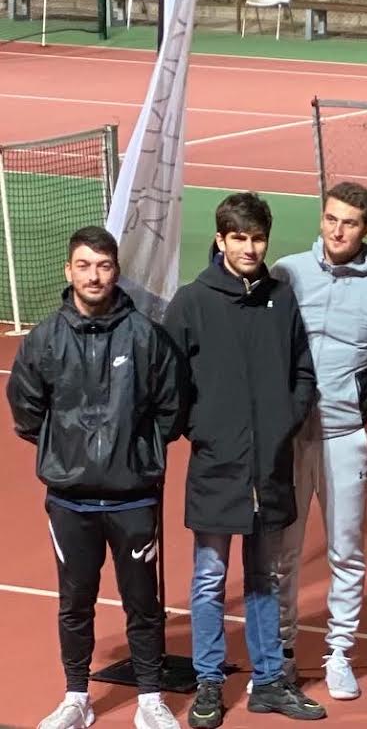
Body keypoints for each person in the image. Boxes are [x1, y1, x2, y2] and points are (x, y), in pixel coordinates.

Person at [7, 227, 183, 729]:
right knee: (75, 603)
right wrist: (66, 452)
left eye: (103, 266)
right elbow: (25, 408)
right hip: (71, 501)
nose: (94, 276)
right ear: (69, 271)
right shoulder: (45, 338)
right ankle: (76, 697)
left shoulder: (146, 336)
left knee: (143, 603)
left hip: (133, 498)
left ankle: (150, 698)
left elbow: (171, 406)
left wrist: (136, 453)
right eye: (84, 266)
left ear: (116, 272)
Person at [162, 193, 323, 727]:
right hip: (218, 466)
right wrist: (201, 430)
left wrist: (285, 421)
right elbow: (170, 381)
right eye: (239, 238)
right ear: (221, 239)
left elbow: (303, 371)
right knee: (210, 578)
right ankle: (209, 682)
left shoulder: (281, 298)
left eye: (257, 238)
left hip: (270, 465)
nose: (250, 248)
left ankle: (269, 681)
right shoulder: (192, 302)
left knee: (264, 578)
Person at [270, 182, 367, 700]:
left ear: (365, 228)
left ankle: (339, 654)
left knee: (345, 552)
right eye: (331, 218)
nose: (337, 230)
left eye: (349, 222)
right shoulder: (286, 272)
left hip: (344, 437)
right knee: (282, 554)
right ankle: (282, 653)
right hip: (288, 438)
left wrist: (359, 395)